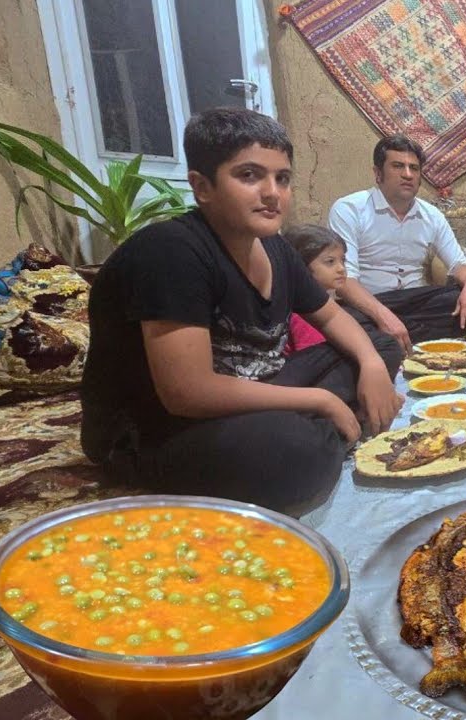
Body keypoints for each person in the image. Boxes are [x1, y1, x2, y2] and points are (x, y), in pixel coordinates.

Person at [81, 108, 404, 514]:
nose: (272, 193)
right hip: (154, 430)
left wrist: (372, 364)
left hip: (250, 392)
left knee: (379, 344)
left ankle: (324, 431)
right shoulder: (171, 252)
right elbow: (187, 393)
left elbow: (333, 316)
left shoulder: (275, 248)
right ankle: (323, 433)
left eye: (282, 178)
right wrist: (322, 400)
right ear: (202, 187)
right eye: (249, 176)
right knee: (292, 453)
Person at [328, 135, 466, 346]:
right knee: (345, 317)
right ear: (378, 174)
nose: (407, 174)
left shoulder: (431, 215)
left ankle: (392, 336)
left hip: (415, 300)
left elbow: (461, 264)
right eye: (398, 166)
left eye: (414, 168)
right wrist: (383, 315)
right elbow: (344, 282)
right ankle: (417, 332)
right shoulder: (349, 209)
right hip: (371, 302)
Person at [282, 224, 346, 356]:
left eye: (343, 260)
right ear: (302, 265)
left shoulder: (326, 303)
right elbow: (315, 356)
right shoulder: (305, 313)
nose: (341, 268)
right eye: (330, 262)